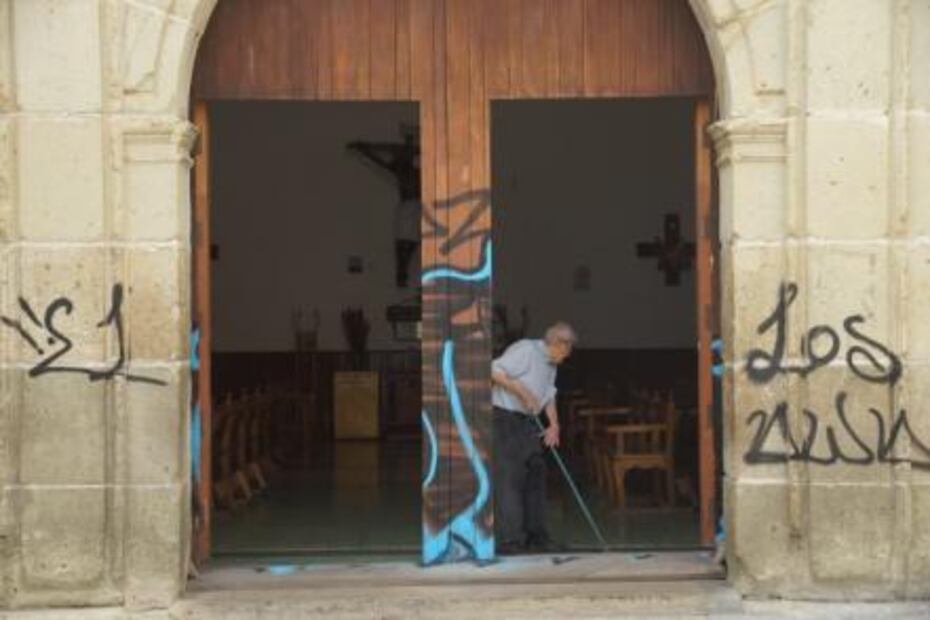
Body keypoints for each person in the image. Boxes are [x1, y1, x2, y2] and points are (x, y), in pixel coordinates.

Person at [491, 321, 577, 554]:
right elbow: (494, 370)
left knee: (536, 475)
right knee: (510, 480)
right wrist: (521, 391)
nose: (566, 357)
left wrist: (554, 425)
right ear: (559, 343)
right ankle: (510, 541)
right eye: (566, 351)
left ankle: (537, 537)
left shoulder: (551, 362)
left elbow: (549, 394)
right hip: (505, 419)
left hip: (528, 422)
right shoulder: (526, 350)